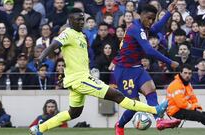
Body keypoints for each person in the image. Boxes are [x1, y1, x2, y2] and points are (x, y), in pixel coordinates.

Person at [29, 8, 169, 135]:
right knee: (117, 96)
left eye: (82, 19)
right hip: (81, 79)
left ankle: (39, 129)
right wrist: (41, 58)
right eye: (78, 19)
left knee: (74, 113)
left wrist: (67, 74)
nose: (81, 22)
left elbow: (74, 58)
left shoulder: (82, 36)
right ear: (70, 21)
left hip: (76, 78)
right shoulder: (68, 33)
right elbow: (54, 44)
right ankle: (155, 110)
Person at [111, 3, 181, 135]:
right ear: (140, 15)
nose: (151, 22)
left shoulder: (144, 27)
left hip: (137, 68)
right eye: (149, 18)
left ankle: (159, 120)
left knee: (151, 90)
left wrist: (168, 13)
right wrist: (169, 61)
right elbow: (148, 50)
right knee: (134, 105)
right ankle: (119, 125)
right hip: (124, 71)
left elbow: (155, 29)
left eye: (153, 19)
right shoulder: (135, 28)